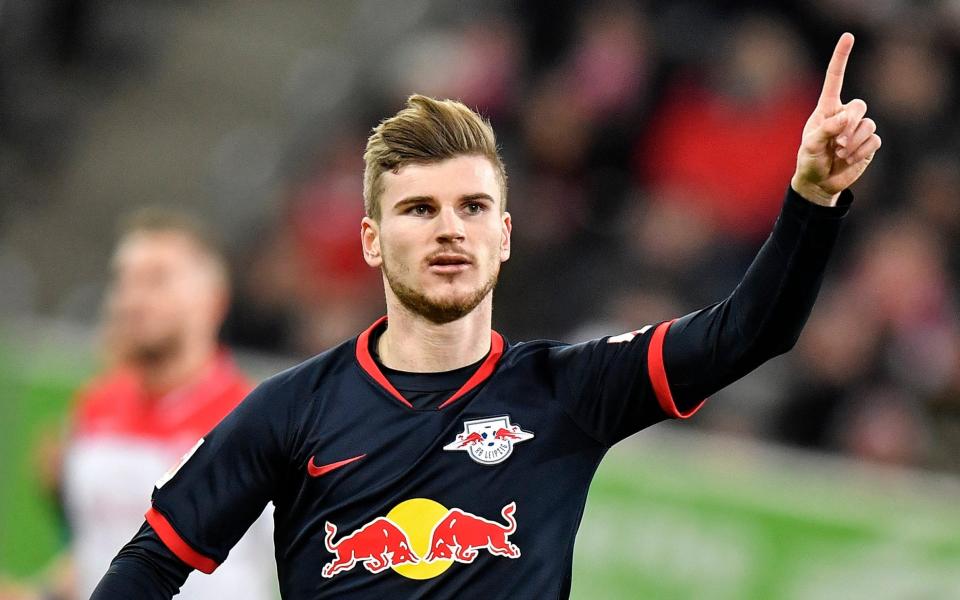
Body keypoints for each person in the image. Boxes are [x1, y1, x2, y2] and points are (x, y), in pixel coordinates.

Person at [92, 33, 880, 598]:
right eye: (418, 208)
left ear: (503, 235)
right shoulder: (288, 411)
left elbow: (752, 331)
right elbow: (152, 561)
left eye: (472, 206)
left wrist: (812, 200)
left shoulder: (567, 390)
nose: (448, 228)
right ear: (371, 239)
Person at [57, 211, 277, 599]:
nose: (133, 298)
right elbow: (96, 548)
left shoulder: (254, 420)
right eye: (124, 280)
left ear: (213, 299)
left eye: (156, 280)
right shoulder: (94, 407)